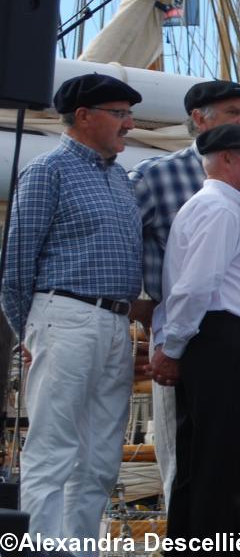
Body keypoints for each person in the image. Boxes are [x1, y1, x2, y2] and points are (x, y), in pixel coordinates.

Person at [129, 79, 240, 539]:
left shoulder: (221, 205)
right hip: (223, 342)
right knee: (224, 465)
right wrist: (170, 347)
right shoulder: (219, 210)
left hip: (223, 340)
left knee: (208, 465)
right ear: (228, 159)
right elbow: (195, 288)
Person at [0, 74, 142, 554]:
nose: (129, 123)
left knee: (100, 457)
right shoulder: (48, 172)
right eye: (119, 113)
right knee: (53, 449)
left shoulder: (118, 177)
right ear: (84, 117)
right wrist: (35, 331)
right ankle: (42, 548)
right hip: (66, 315)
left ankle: (79, 548)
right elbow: (16, 265)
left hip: (114, 323)